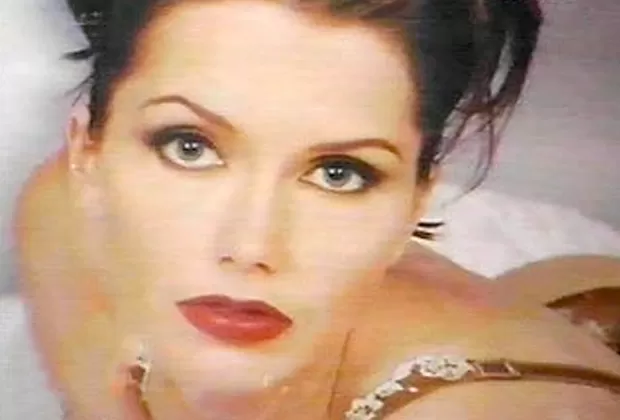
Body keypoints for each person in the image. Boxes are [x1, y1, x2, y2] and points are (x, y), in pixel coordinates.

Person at [13, 0, 620, 419]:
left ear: (418, 199)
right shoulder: (71, 222)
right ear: (88, 152)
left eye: (339, 172)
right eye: (189, 147)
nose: (251, 245)